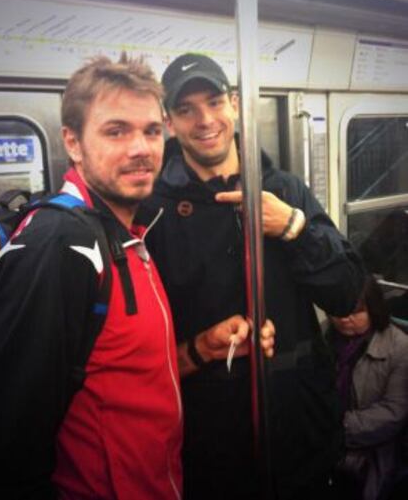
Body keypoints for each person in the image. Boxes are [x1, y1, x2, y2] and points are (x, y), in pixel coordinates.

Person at [140, 52, 366, 500]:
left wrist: (292, 227)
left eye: (214, 101)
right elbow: (142, 343)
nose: (204, 119)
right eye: (186, 109)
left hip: (298, 424)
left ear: (235, 104)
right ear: (169, 123)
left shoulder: (284, 190)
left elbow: (348, 294)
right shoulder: (153, 211)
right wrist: (200, 348)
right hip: (210, 438)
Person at [0, 54, 183, 500]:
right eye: (116, 131)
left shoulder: (131, 233)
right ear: (73, 142)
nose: (141, 148)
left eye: (152, 131)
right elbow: (9, 438)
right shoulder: (63, 245)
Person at [326, 276, 408, 500]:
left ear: (373, 308)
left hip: (371, 454)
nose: (345, 319)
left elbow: (394, 412)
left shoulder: (399, 347)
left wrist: (334, 429)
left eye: (356, 311)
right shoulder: (324, 338)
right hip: (326, 447)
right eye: (338, 311)